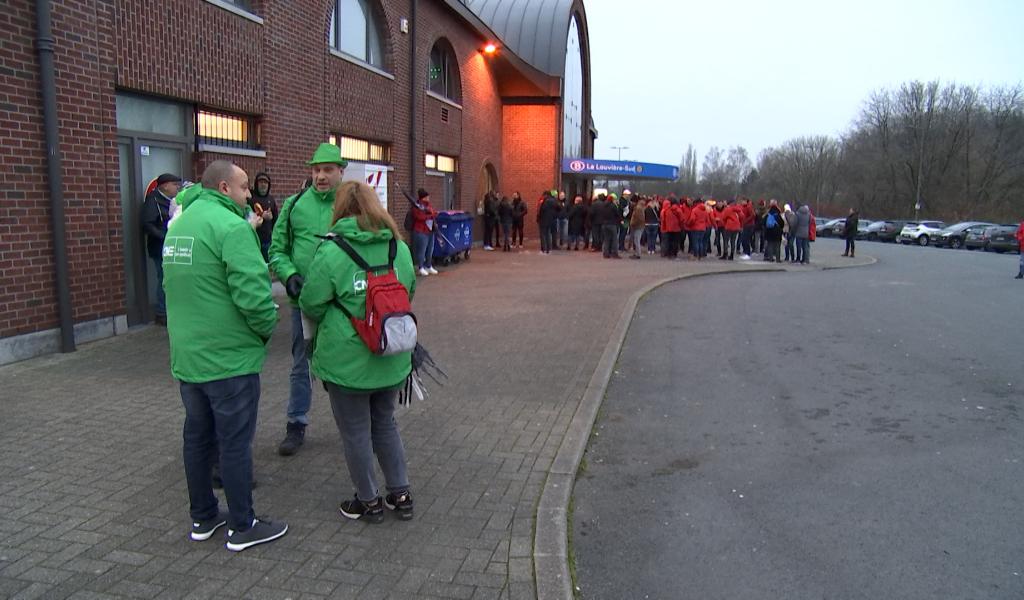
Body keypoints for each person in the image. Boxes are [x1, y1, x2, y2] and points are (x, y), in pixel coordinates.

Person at [164, 159, 287, 551]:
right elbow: (254, 296)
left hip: (189, 358)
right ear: (223, 188)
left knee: (197, 439)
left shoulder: (179, 226)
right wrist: (267, 325)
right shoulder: (233, 228)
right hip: (229, 360)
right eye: (244, 186)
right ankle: (242, 525)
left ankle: (203, 517)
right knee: (234, 443)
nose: (249, 194)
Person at [298, 181, 416, 523]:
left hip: (348, 363)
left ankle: (368, 501)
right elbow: (408, 291)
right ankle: (401, 493)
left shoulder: (333, 250)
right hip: (392, 354)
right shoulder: (398, 248)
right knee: (385, 423)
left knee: (355, 432)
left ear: (340, 209)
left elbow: (311, 301)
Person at [269, 142, 348, 456]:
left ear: (341, 171)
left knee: (345, 364)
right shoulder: (294, 204)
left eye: (327, 170)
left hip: (341, 303)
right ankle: (296, 424)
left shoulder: (351, 206)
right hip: (302, 302)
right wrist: (288, 275)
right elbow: (277, 249)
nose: (321, 176)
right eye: (316, 170)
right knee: (301, 364)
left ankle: (353, 425)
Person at [141, 173, 181, 325]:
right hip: (160, 247)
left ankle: (168, 311)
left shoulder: (171, 201)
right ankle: (161, 313)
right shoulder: (153, 201)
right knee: (164, 278)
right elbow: (147, 224)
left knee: (169, 279)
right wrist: (165, 236)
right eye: (175, 185)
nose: (177, 188)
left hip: (170, 245)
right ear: (165, 186)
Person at [248, 172, 278, 262]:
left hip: (266, 241)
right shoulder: (250, 198)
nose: (263, 185)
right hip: (252, 240)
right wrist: (261, 215)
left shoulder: (271, 199)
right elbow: (245, 216)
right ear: (256, 184)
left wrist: (271, 217)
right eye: (260, 182)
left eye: (265, 183)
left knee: (266, 265)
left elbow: (276, 220)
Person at [410, 189, 439, 273]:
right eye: (427, 197)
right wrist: (430, 216)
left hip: (430, 230)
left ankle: (428, 265)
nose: (428, 198)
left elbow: (432, 212)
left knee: (430, 249)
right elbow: (419, 217)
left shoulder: (428, 205)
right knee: (422, 250)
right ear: (423, 198)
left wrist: (434, 214)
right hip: (421, 231)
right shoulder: (417, 206)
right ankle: (420, 267)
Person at [600, 193, 621, 259]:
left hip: (604, 224)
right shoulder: (613, 206)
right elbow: (617, 214)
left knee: (606, 239)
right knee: (614, 239)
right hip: (612, 224)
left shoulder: (603, 205)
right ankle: (614, 253)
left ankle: (605, 254)